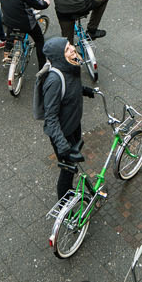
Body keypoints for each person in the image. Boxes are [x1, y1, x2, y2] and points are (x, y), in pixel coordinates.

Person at [37, 36, 98, 198]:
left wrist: (84, 90)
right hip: (63, 134)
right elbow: (51, 118)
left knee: (72, 163)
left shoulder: (71, 65)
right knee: (68, 169)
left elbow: (70, 87)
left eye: (70, 45)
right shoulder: (54, 81)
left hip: (73, 124)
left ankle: (69, 193)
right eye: (66, 49)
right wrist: (63, 146)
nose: (72, 49)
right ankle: (64, 202)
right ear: (58, 56)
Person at [0, 0, 49, 64]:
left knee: (10, 34)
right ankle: (42, 68)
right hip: (26, 24)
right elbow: (37, 4)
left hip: (9, 22)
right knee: (39, 41)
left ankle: (7, 53)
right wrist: (46, 3)